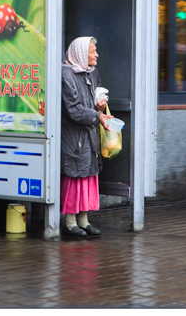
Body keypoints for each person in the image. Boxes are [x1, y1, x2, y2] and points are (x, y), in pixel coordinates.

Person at [60, 36, 112, 237]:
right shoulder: (66, 74)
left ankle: (84, 219)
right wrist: (97, 115)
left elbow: (97, 95)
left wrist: (100, 104)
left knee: (88, 176)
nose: (96, 55)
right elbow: (73, 110)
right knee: (74, 177)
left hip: (89, 137)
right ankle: (70, 221)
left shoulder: (92, 72)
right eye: (92, 51)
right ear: (81, 53)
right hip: (74, 138)